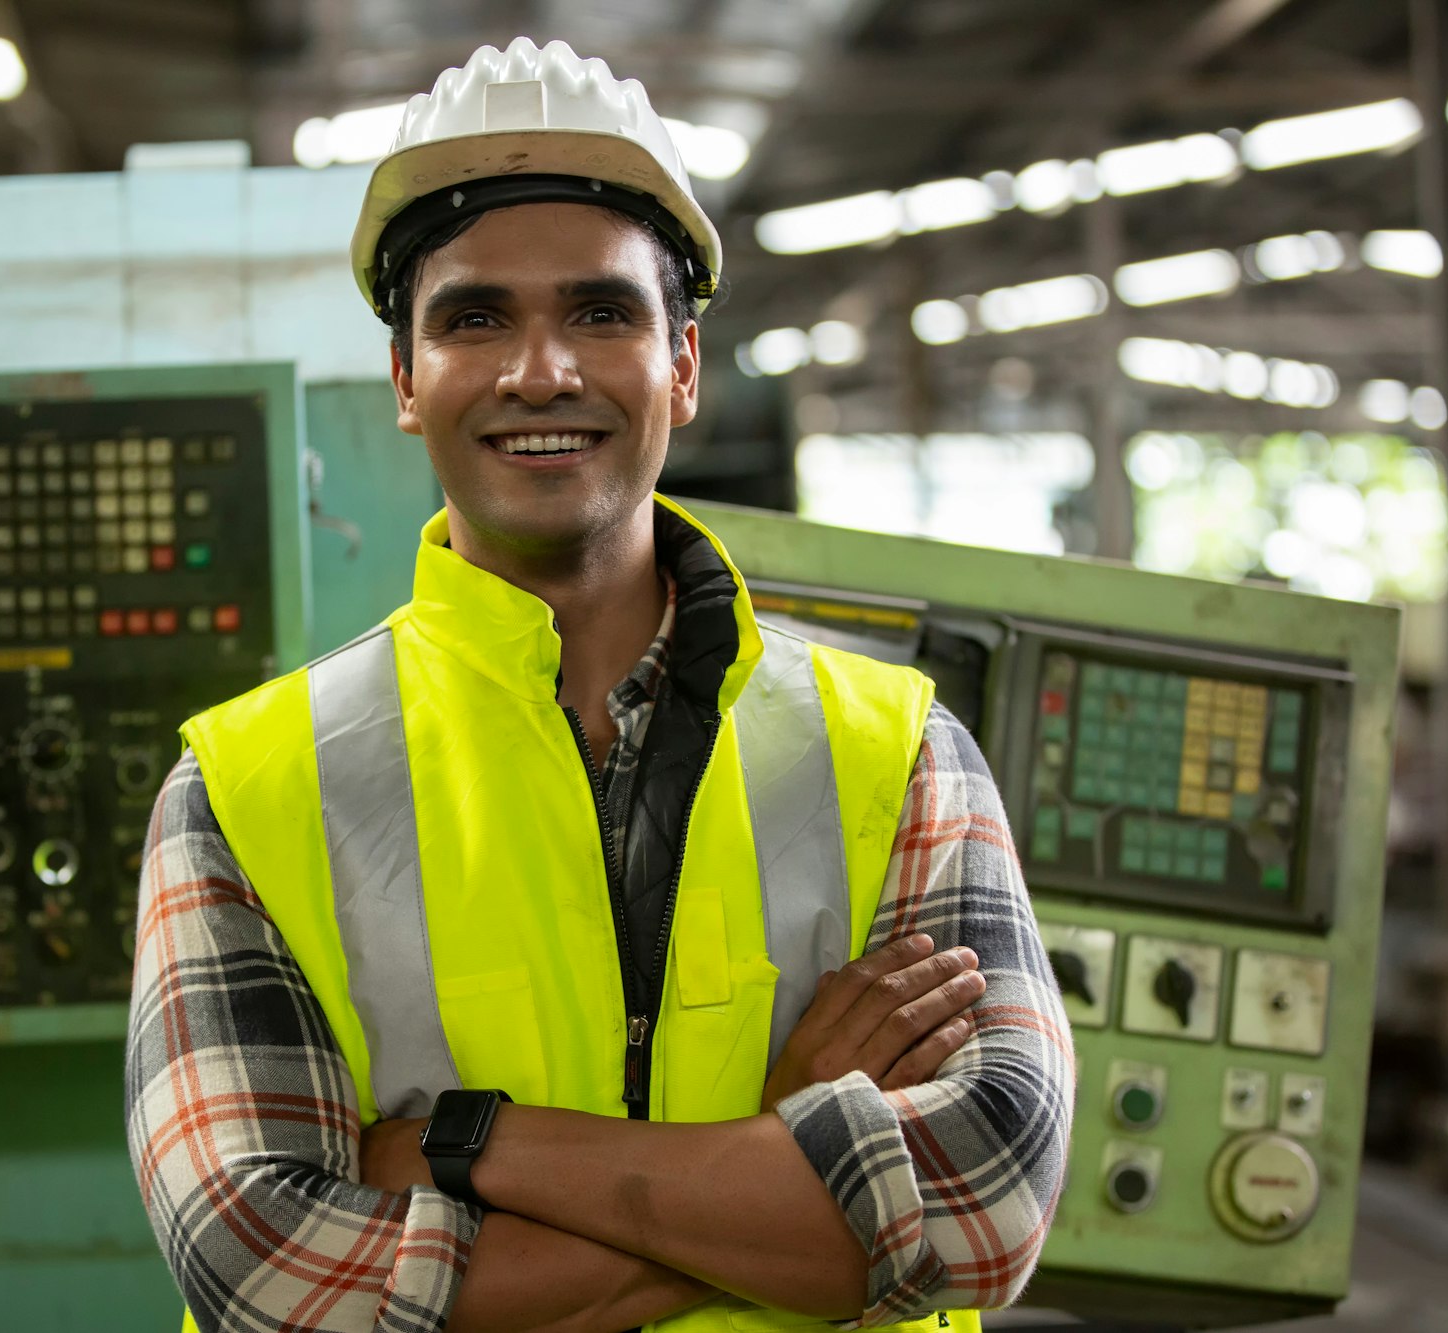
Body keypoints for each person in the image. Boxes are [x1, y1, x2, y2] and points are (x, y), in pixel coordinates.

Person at [126, 36, 1073, 1333]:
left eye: (600, 310)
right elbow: (270, 1275)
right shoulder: (250, 787)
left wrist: (472, 1146)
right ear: (408, 379)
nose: (542, 371)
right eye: (474, 317)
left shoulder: (899, 752)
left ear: (682, 363)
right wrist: (780, 1157)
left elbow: (987, 1208)